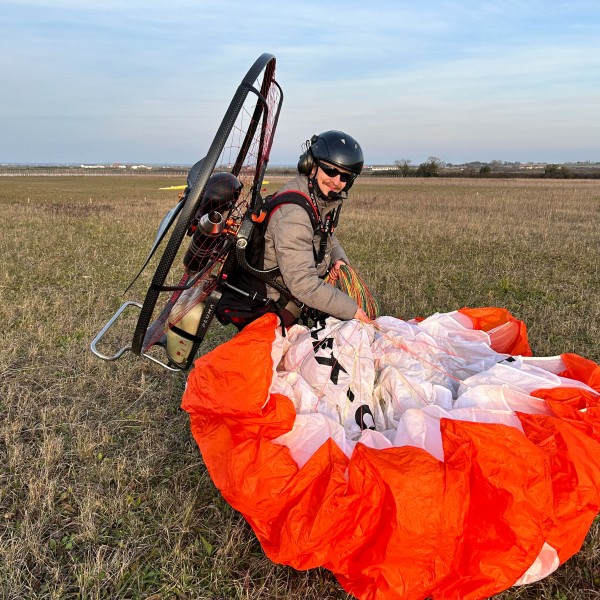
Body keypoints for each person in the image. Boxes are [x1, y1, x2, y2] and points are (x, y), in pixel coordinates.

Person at [216, 130, 371, 328]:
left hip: (288, 293)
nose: (336, 181)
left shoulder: (316, 197)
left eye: (345, 176)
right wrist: (352, 311)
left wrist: (338, 259)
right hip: (272, 305)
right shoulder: (294, 216)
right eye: (330, 170)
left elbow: (325, 233)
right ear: (311, 165)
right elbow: (304, 285)